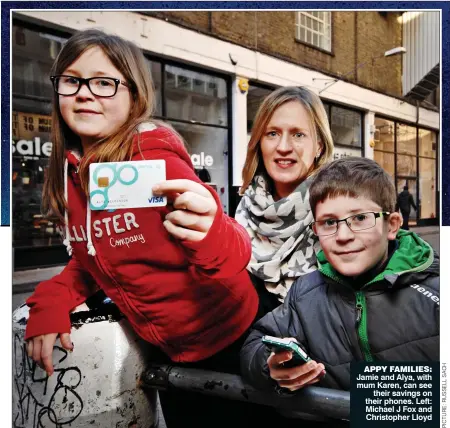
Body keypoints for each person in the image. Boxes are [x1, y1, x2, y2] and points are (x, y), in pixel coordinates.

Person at [23, 29, 260, 428]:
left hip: (231, 343)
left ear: (134, 95)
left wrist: (212, 229)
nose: (84, 93)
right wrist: (50, 303)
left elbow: (237, 252)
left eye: (104, 82)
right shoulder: (74, 172)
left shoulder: (152, 158)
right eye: (72, 80)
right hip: (167, 353)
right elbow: (94, 260)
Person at [240, 157, 439, 394]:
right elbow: (254, 345)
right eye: (329, 222)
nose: (343, 235)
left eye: (360, 218)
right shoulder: (305, 293)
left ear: (392, 225)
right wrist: (270, 365)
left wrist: (353, 404)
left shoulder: (437, 291)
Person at [235, 86, 334, 314]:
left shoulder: (337, 214)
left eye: (298, 134)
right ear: (259, 142)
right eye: (272, 133)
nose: (283, 147)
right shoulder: (241, 212)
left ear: (318, 145)